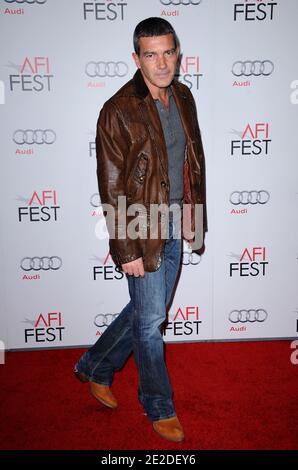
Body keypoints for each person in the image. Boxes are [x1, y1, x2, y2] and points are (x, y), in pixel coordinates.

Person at [74, 17, 207, 443]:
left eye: (168, 52)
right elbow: (111, 187)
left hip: (174, 218)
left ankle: (96, 365)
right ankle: (158, 405)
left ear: (178, 53)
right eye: (151, 54)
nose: (162, 62)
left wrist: (192, 212)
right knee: (150, 323)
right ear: (137, 59)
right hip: (142, 225)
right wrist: (125, 247)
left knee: (146, 313)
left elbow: (191, 159)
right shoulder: (117, 110)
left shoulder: (183, 97)